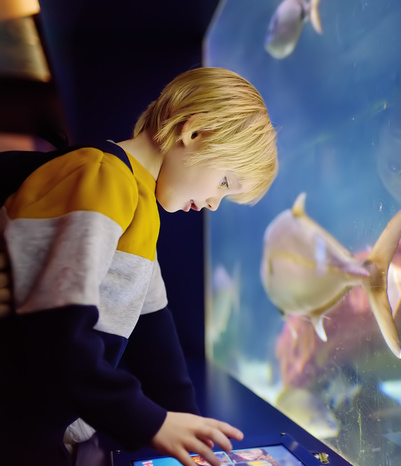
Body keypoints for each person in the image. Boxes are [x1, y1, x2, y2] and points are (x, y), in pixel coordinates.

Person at [0, 67, 278, 466]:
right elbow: (55, 326)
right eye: (224, 182)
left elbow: (154, 331)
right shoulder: (103, 177)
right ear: (194, 132)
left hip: (42, 416)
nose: (215, 203)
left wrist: (192, 428)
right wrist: (150, 424)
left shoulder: (141, 204)